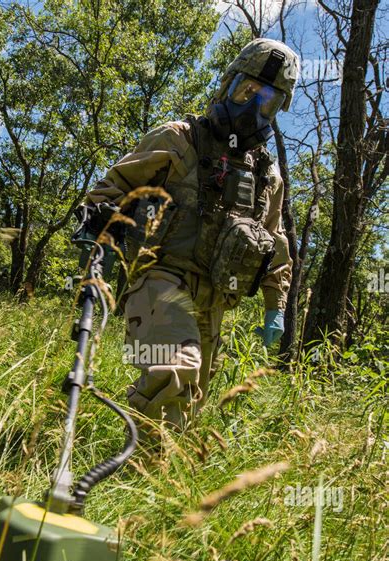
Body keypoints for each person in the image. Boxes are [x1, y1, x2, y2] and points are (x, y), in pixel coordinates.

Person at [76, 38, 299, 441]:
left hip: (214, 300)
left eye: (265, 101)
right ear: (227, 84)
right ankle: (140, 476)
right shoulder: (178, 139)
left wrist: (274, 308)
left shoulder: (268, 176)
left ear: (277, 110)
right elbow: (110, 190)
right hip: (158, 281)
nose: (251, 108)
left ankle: (150, 489)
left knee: (189, 407)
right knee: (174, 370)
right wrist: (100, 246)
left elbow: (275, 243)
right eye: (245, 91)